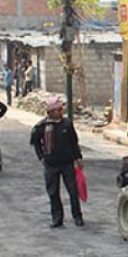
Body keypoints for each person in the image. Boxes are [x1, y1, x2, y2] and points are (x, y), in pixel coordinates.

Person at [30, 95, 84, 228]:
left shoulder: (67, 124)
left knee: (72, 191)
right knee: (53, 192)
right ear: (50, 112)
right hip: (51, 164)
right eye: (57, 110)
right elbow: (35, 142)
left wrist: (78, 158)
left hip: (67, 163)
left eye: (61, 109)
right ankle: (57, 218)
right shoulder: (42, 126)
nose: (60, 112)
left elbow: (74, 142)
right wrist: (41, 157)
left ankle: (77, 216)